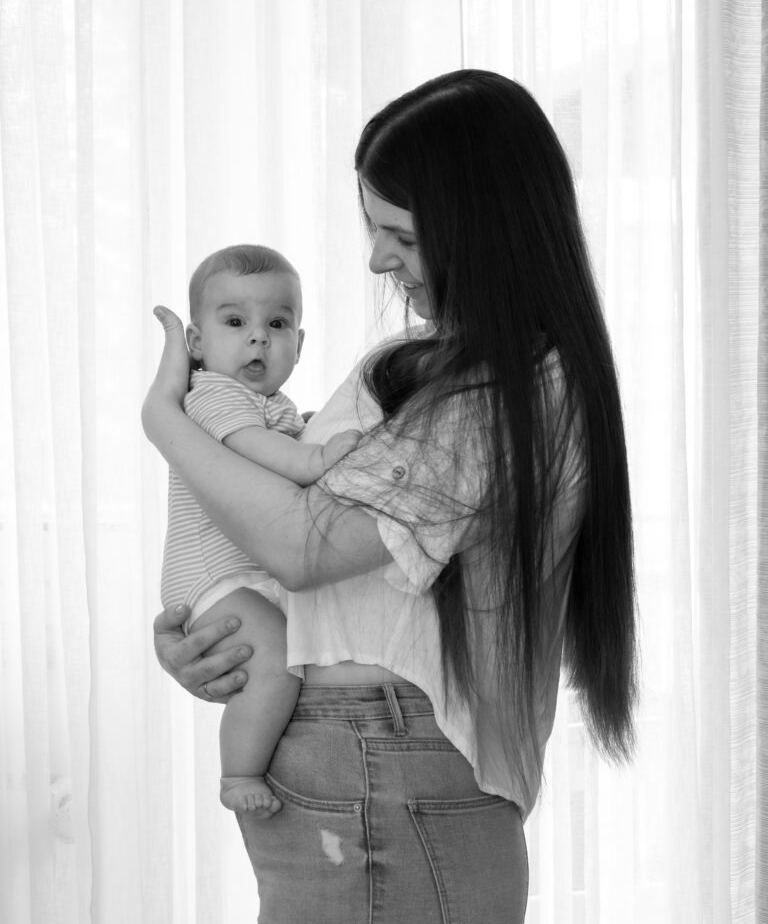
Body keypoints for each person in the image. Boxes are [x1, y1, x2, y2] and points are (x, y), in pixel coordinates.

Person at [143, 69, 638, 924]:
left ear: (481, 228)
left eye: (400, 234)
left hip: (381, 759)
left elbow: (302, 546)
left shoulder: (505, 390)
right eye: (373, 229)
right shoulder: (449, 366)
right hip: (368, 754)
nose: (376, 258)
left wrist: (164, 418)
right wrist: (224, 638)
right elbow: (316, 566)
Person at [160, 243, 361, 815]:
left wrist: (310, 432)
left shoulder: (272, 403)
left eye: (277, 324)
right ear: (196, 343)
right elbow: (254, 447)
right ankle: (238, 775)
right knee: (273, 659)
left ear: (300, 343)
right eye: (234, 322)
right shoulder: (211, 393)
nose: (258, 338)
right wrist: (314, 456)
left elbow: (277, 441)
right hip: (213, 574)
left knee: (285, 659)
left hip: (248, 569)